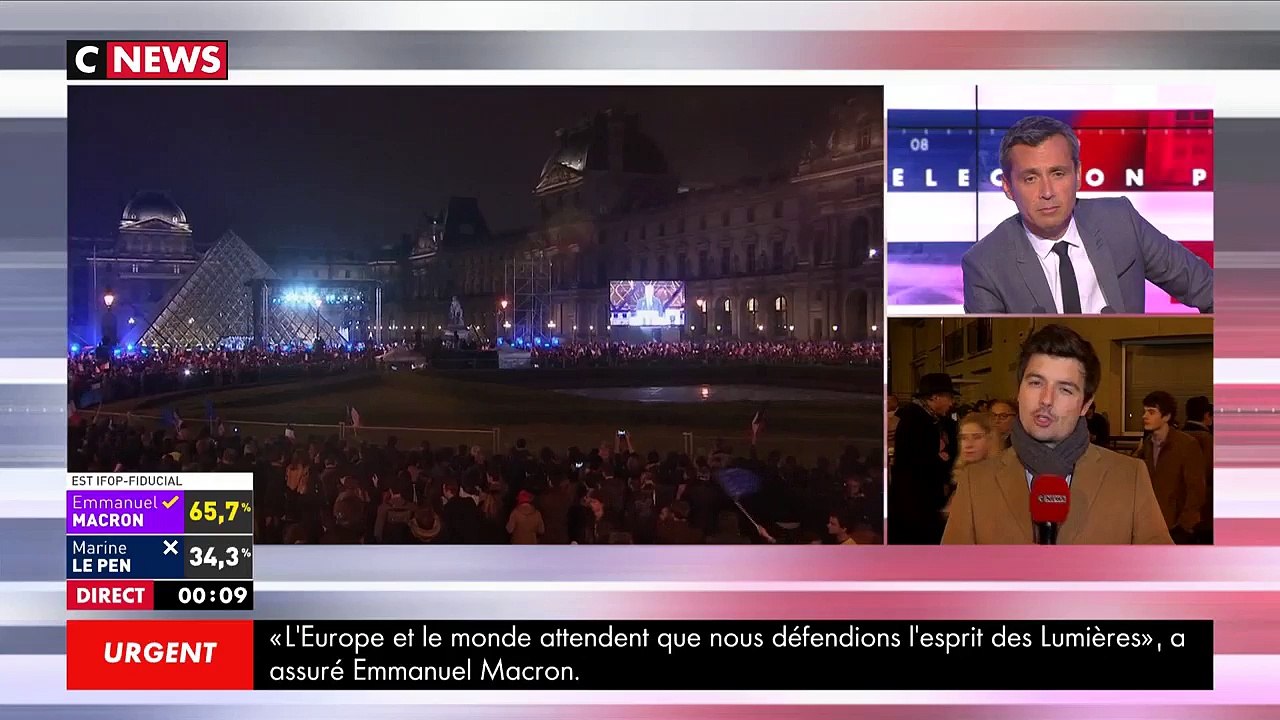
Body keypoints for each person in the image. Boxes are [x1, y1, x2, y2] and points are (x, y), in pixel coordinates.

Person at [961, 115, 1214, 315]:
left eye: (1058, 174)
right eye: (1030, 178)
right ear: (1007, 187)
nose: (1047, 192)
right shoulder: (985, 264)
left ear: (1078, 175)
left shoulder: (1121, 221)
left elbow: (1209, 289)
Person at [942, 324, 1171, 544]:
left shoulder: (1130, 477)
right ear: (1019, 391)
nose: (1046, 400)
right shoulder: (975, 482)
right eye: (1035, 383)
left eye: (1065, 389)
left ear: (1085, 405)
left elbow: (1160, 568)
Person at [888, 372, 958, 544]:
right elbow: (922, 462)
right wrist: (944, 460)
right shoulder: (914, 420)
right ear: (935, 397)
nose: (951, 403)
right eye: (949, 397)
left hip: (922, 502)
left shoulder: (935, 419)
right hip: (915, 505)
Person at [1133, 391, 1207, 544]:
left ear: (1166, 416)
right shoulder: (1147, 444)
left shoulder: (1186, 444)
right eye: (1144, 411)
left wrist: (1184, 525)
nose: (1144, 416)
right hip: (1152, 523)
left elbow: (1196, 489)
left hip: (1176, 526)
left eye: (1151, 412)